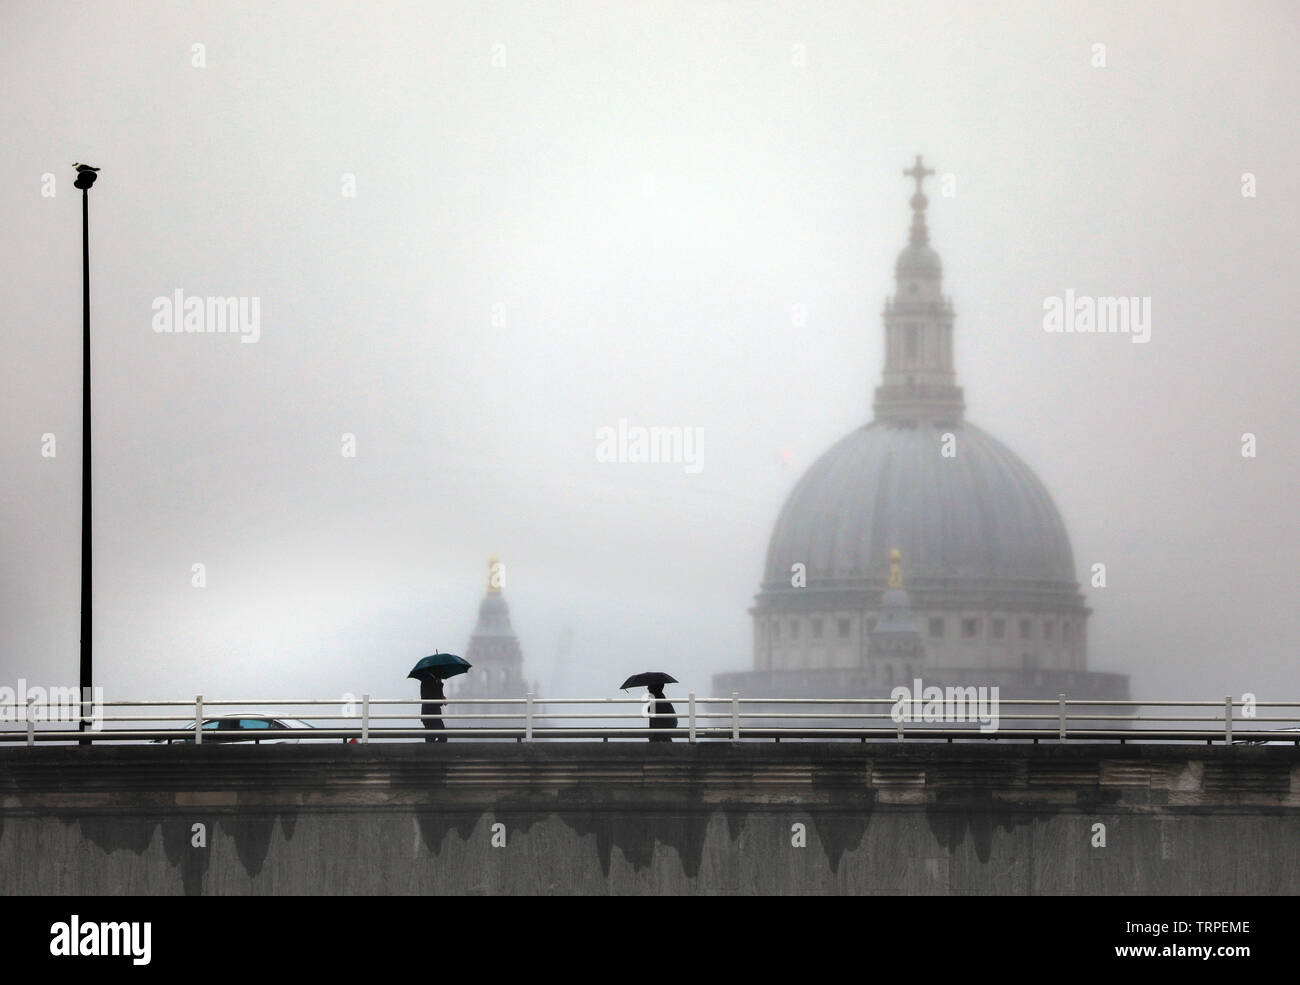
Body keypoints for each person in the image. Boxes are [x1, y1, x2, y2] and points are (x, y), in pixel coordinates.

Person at [420, 675, 447, 743]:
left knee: (431, 738)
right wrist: (439, 685)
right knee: (441, 737)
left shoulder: (427, 680)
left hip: (429, 713)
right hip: (432, 713)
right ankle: (433, 752)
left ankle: (430, 752)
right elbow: (431, 697)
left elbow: (431, 696)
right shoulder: (429, 680)